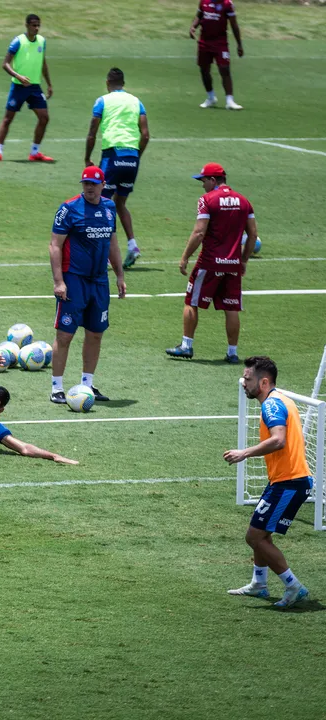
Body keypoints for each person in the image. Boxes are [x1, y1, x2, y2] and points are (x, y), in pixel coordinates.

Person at [224, 356, 312, 608]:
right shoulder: (283, 400)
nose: (243, 382)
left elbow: (278, 440)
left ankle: (293, 585)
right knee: (259, 533)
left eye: (248, 379)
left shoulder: (271, 406)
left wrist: (244, 452)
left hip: (290, 482)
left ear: (263, 382)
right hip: (285, 481)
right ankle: (259, 584)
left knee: (255, 537)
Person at [49, 166, 126, 404]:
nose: (89, 188)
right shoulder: (68, 209)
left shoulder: (109, 207)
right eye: (85, 183)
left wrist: (120, 275)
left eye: (93, 183)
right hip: (74, 280)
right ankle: (56, 388)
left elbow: (112, 242)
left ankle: (87, 384)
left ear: (103, 185)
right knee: (65, 335)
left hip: (99, 281)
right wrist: (59, 281)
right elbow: (55, 245)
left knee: (95, 334)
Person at [166, 162, 256, 363]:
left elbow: (199, 232)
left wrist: (185, 257)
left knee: (192, 301)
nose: (202, 185)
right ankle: (232, 353)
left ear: (213, 180)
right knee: (231, 308)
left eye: (203, 180)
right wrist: (243, 260)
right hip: (232, 264)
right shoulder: (244, 201)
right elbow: (253, 235)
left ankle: (186, 346)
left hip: (209, 263)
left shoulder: (207, 200)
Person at [84, 68, 150, 269]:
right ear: (124, 83)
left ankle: (102, 254)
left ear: (107, 83)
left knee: (100, 203)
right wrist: (135, 157)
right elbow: (145, 135)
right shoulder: (136, 101)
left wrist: (87, 158)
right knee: (120, 202)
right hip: (131, 157)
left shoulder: (102, 101)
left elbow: (92, 132)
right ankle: (133, 246)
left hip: (112, 156)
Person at [0, 14, 53, 163]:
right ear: (27, 26)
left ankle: (35, 152)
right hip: (18, 87)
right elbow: (5, 64)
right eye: (33, 25)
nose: (36, 28)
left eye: (38, 25)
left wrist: (49, 84)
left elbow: (43, 63)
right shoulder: (18, 41)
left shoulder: (42, 41)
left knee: (44, 118)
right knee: (8, 119)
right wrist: (19, 77)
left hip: (35, 87)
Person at [190, 0, 244, 110]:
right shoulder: (204, 2)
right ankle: (211, 97)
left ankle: (230, 101)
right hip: (204, 42)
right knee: (204, 69)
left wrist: (239, 45)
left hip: (220, 43)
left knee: (224, 69)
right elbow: (199, 16)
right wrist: (193, 26)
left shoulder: (227, 4)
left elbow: (234, 25)